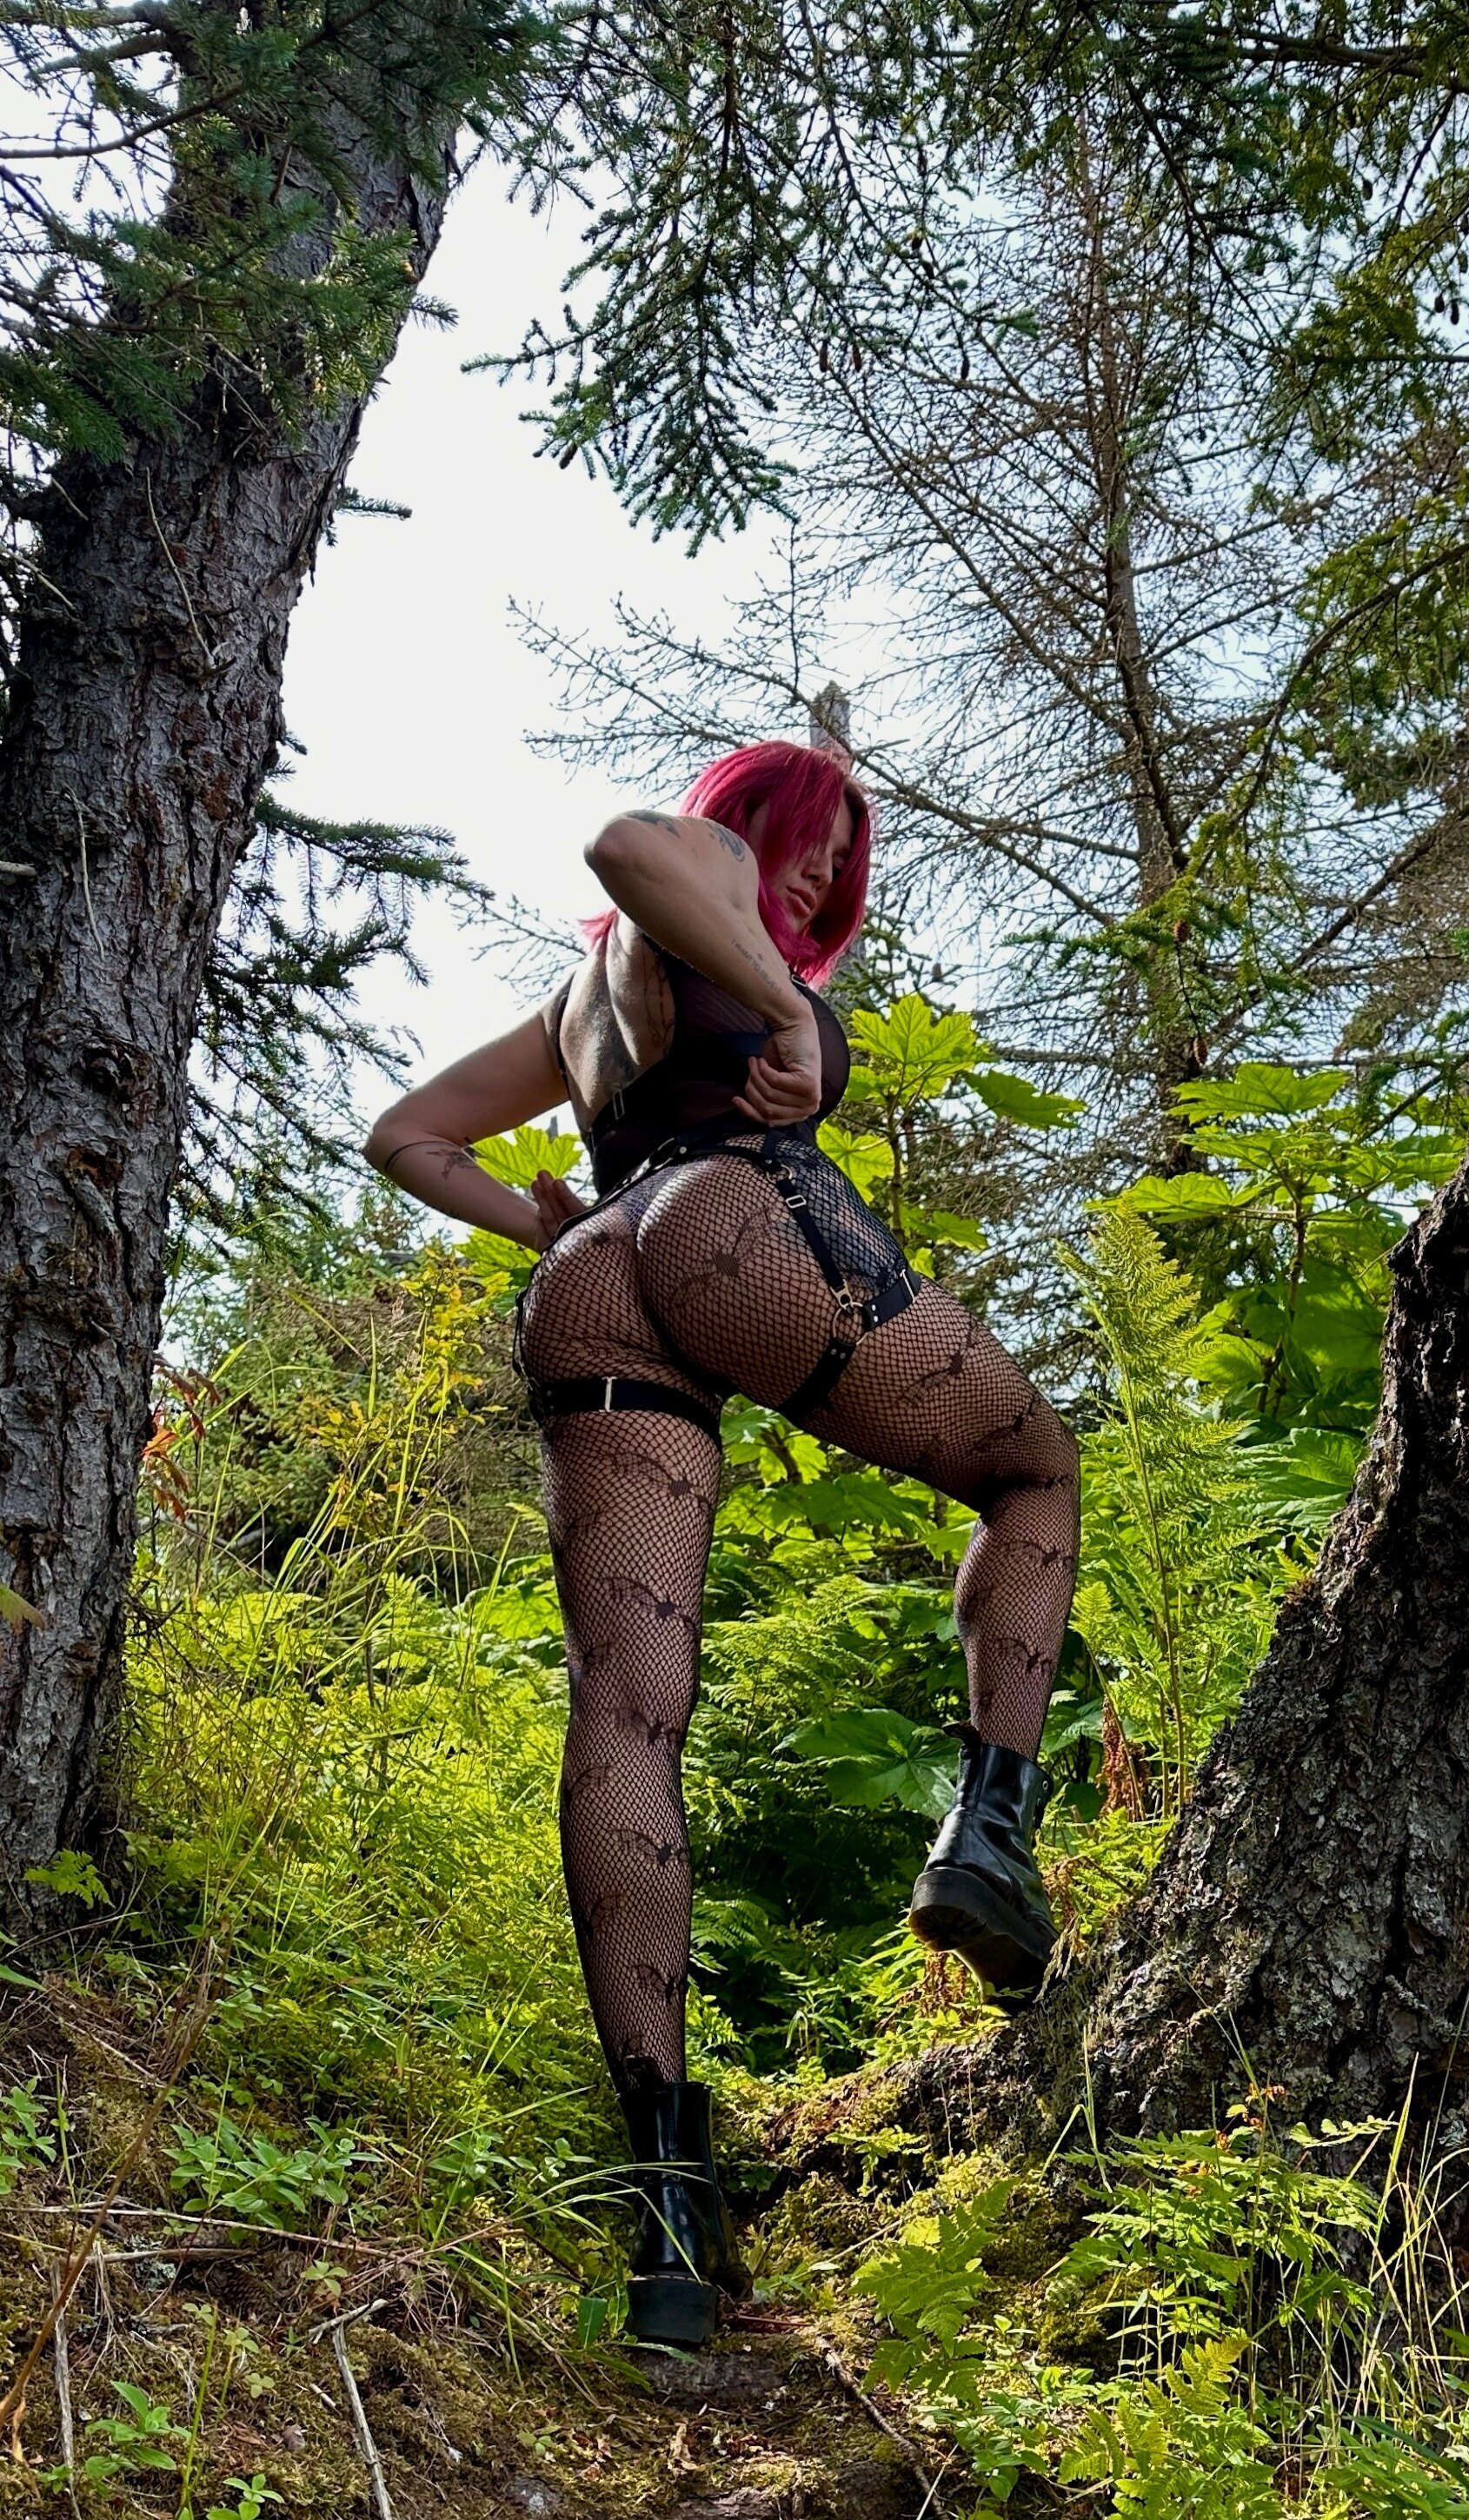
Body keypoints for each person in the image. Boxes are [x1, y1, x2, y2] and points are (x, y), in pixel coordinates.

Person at [365, 740, 1081, 2349]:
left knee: (624, 1712)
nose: (825, 873)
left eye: (847, 857)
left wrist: (542, 1220)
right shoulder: (707, 878)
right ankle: (989, 1834)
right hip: (731, 1217)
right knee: (1036, 1471)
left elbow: (407, 1135)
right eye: (814, 835)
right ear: (752, 819)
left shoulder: (578, 1006)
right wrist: (796, 1015)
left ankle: (670, 2208)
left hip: (596, 1273)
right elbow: (629, 842)